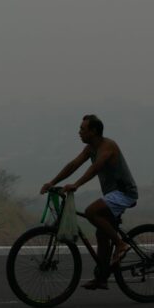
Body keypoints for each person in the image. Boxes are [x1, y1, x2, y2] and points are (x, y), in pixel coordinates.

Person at [40, 114, 138, 290]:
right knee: (101, 234)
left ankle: (121, 244)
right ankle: (102, 277)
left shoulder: (108, 146)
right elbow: (73, 165)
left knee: (91, 212)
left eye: (82, 129)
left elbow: (95, 168)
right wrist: (52, 183)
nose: (79, 132)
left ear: (93, 131)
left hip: (124, 194)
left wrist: (76, 185)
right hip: (112, 195)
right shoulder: (90, 148)